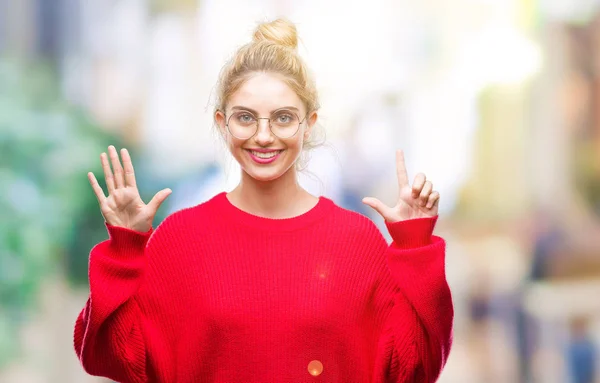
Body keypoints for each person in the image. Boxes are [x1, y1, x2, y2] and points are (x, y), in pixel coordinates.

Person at [73, 18, 454, 383]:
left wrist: (415, 246)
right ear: (223, 123)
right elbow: (111, 356)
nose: (264, 136)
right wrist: (124, 247)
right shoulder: (180, 239)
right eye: (246, 118)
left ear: (309, 123)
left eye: (283, 118)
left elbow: (415, 368)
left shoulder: (357, 241)